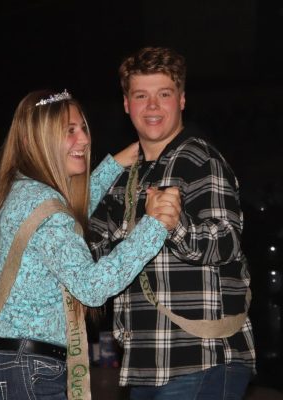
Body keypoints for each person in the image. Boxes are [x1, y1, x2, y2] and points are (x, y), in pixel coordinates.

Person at [0, 89, 181, 400]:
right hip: (29, 373)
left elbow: (68, 211)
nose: (83, 139)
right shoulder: (44, 205)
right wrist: (155, 224)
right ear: (38, 140)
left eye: (83, 128)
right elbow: (92, 287)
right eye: (69, 131)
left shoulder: (23, 192)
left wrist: (118, 162)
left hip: (7, 366)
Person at [88, 47, 255, 399]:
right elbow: (91, 252)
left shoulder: (200, 159)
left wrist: (175, 225)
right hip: (143, 364)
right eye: (141, 95)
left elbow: (226, 242)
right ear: (126, 104)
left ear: (181, 100)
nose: (152, 106)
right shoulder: (123, 179)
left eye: (163, 94)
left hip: (201, 357)